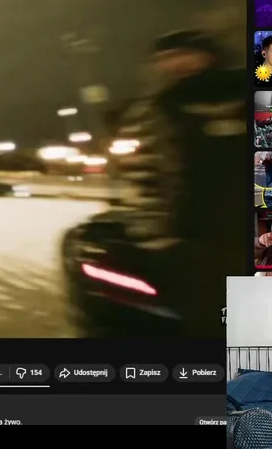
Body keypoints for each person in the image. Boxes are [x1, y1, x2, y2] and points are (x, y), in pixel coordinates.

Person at [109, 29, 244, 337]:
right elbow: (144, 176)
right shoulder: (155, 109)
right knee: (206, 320)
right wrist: (156, 234)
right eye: (166, 58)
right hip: (190, 235)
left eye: (182, 54)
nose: (174, 64)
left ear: (207, 55)